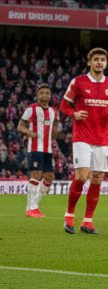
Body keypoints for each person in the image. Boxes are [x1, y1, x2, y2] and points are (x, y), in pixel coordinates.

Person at [59, 48, 108, 235]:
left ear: (106, 63)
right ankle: (69, 214)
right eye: (96, 59)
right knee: (82, 176)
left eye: (103, 59)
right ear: (89, 62)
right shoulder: (78, 82)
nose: (99, 62)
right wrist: (74, 113)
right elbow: (63, 105)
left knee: (97, 178)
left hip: (102, 138)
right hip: (82, 136)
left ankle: (87, 221)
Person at [18, 85, 61, 218]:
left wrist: (58, 132)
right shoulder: (31, 109)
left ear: (50, 96)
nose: (44, 95)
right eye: (41, 93)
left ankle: (34, 204)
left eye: (47, 93)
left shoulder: (54, 111)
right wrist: (28, 132)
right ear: (37, 95)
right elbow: (20, 126)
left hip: (48, 149)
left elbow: (55, 129)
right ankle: (31, 208)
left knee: (49, 178)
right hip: (35, 147)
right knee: (36, 175)